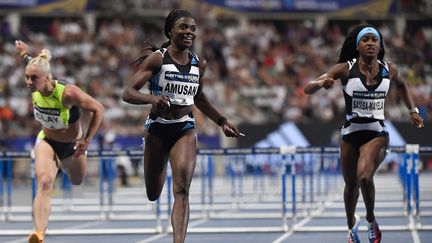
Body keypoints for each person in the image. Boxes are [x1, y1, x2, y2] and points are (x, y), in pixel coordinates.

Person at [122, 9, 242, 243]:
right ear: (170, 31)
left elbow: (198, 98)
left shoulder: (199, 63)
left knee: (182, 189)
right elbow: (128, 93)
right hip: (157, 128)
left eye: (193, 28)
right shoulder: (158, 58)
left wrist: (222, 121)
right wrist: (152, 99)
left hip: (184, 128)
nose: (189, 32)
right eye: (183, 27)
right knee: (153, 194)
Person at [303, 25, 424, 243]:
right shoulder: (344, 69)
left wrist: (413, 111)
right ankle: (351, 227)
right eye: (365, 40)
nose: (370, 43)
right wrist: (322, 83)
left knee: (365, 177)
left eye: (374, 40)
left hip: (376, 134)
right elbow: (308, 89)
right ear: (358, 46)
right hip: (350, 135)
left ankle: (370, 220)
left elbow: (403, 85)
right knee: (351, 186)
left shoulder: (390, 69)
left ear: (379, 46)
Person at [15, 40, 104, 243]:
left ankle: (64, 165)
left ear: (48, 78)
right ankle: (39, 233)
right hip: (47, 141)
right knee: (45, 182)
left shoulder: (68, 93)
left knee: (77, 180)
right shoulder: (36, 79)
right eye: (27, 77)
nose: (29, 82)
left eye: (34, 78)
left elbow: (98, 108)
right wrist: (23, 53)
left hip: (72, 147)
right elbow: (32, 62)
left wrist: (87, 140)